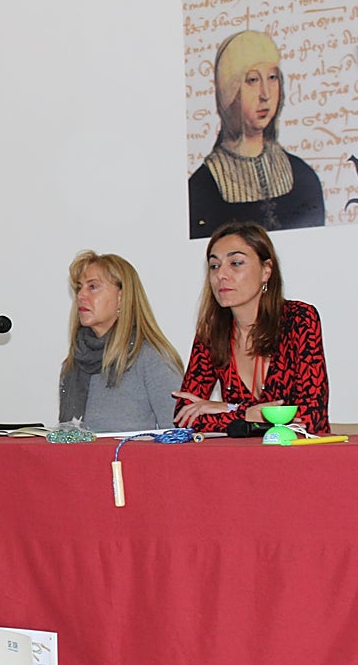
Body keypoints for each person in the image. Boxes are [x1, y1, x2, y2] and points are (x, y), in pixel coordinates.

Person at [174, 221, 329, 434]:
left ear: (266, 271)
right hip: (242, 461)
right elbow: (184, 417)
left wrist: (227, 410)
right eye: (214, 266)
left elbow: (310, 417)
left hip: (300, 458)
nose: (221, 275)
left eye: (236, 263)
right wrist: (246, 413)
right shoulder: (211, 333)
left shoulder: (299, 319)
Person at [188, 29, 325, 239]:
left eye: (272, 78)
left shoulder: (302, 176)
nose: (266, 95)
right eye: (252, 80)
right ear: (229, 91)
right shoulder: (202, 187)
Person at [58, 251, 184, 432]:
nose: (81, 296)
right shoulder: (72, 365)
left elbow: (177, 436)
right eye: (79, 288)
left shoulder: (152, 358)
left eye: (93, 287)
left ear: (121, 297)